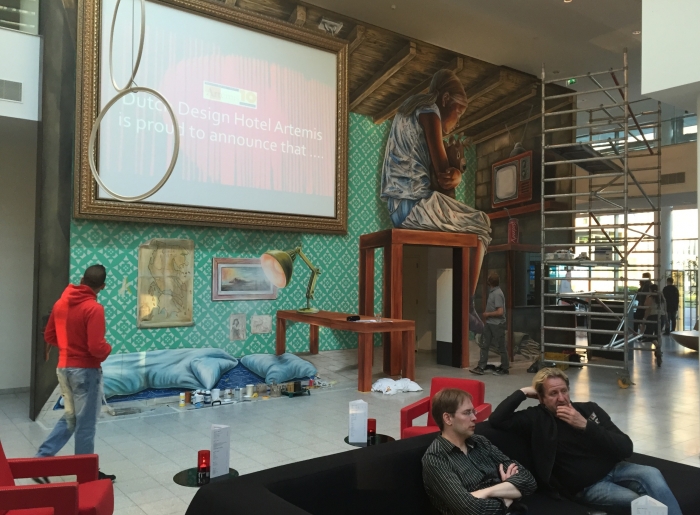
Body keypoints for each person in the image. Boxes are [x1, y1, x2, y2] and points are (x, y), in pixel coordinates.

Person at [381, 68, 491, 333]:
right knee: (482, 223)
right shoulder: (429, 112)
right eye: (459, 112)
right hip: (413, 205)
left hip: (399, 205)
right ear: (445, 99)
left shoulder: (409, 110)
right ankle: (467, 306)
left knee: (470, 227)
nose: (457, 121)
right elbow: (443, 178)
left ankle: (463, 305)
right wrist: (457, 173)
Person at [490, 368, 682, 515]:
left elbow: (626, 447)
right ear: (541, 399)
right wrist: (523, 392)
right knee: (640, 502)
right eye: (553, 394)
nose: (561, 398)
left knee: (652, 473)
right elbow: (497, 420)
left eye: (564, 391)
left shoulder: (589, 410)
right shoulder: (535, 418)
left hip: (615, 469)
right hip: (587, 487)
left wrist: (585, 426)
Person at [34, 265, 116, 483]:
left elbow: (50, 336)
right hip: (85, 372)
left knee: (71, 418)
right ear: (102, 286)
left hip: (63, 369)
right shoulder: (93, 308)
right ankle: (86, 475)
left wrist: (69, 348)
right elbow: (96, 347)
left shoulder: (61, 303)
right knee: (85, 425)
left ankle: (40, 462)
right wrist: (108, 349)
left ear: (81, 280)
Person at [422, 388, 536, 515]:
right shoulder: (436, 458)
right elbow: (471, 510)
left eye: (473, 412)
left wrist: (485, 492)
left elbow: (528, 481)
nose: (474, 417)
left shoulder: (480, 442)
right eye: (467, 413)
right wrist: (508, 493)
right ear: (448, 418)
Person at [470, 272, 508, 376]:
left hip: (497, 324)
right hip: (489, 323)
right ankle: (481, 366)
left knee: (501, 347)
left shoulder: (497, 294)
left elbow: (500, 312)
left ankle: (505, 368)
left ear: (489, 282)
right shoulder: (493, 292)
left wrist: (488, 314)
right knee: (484, 345)